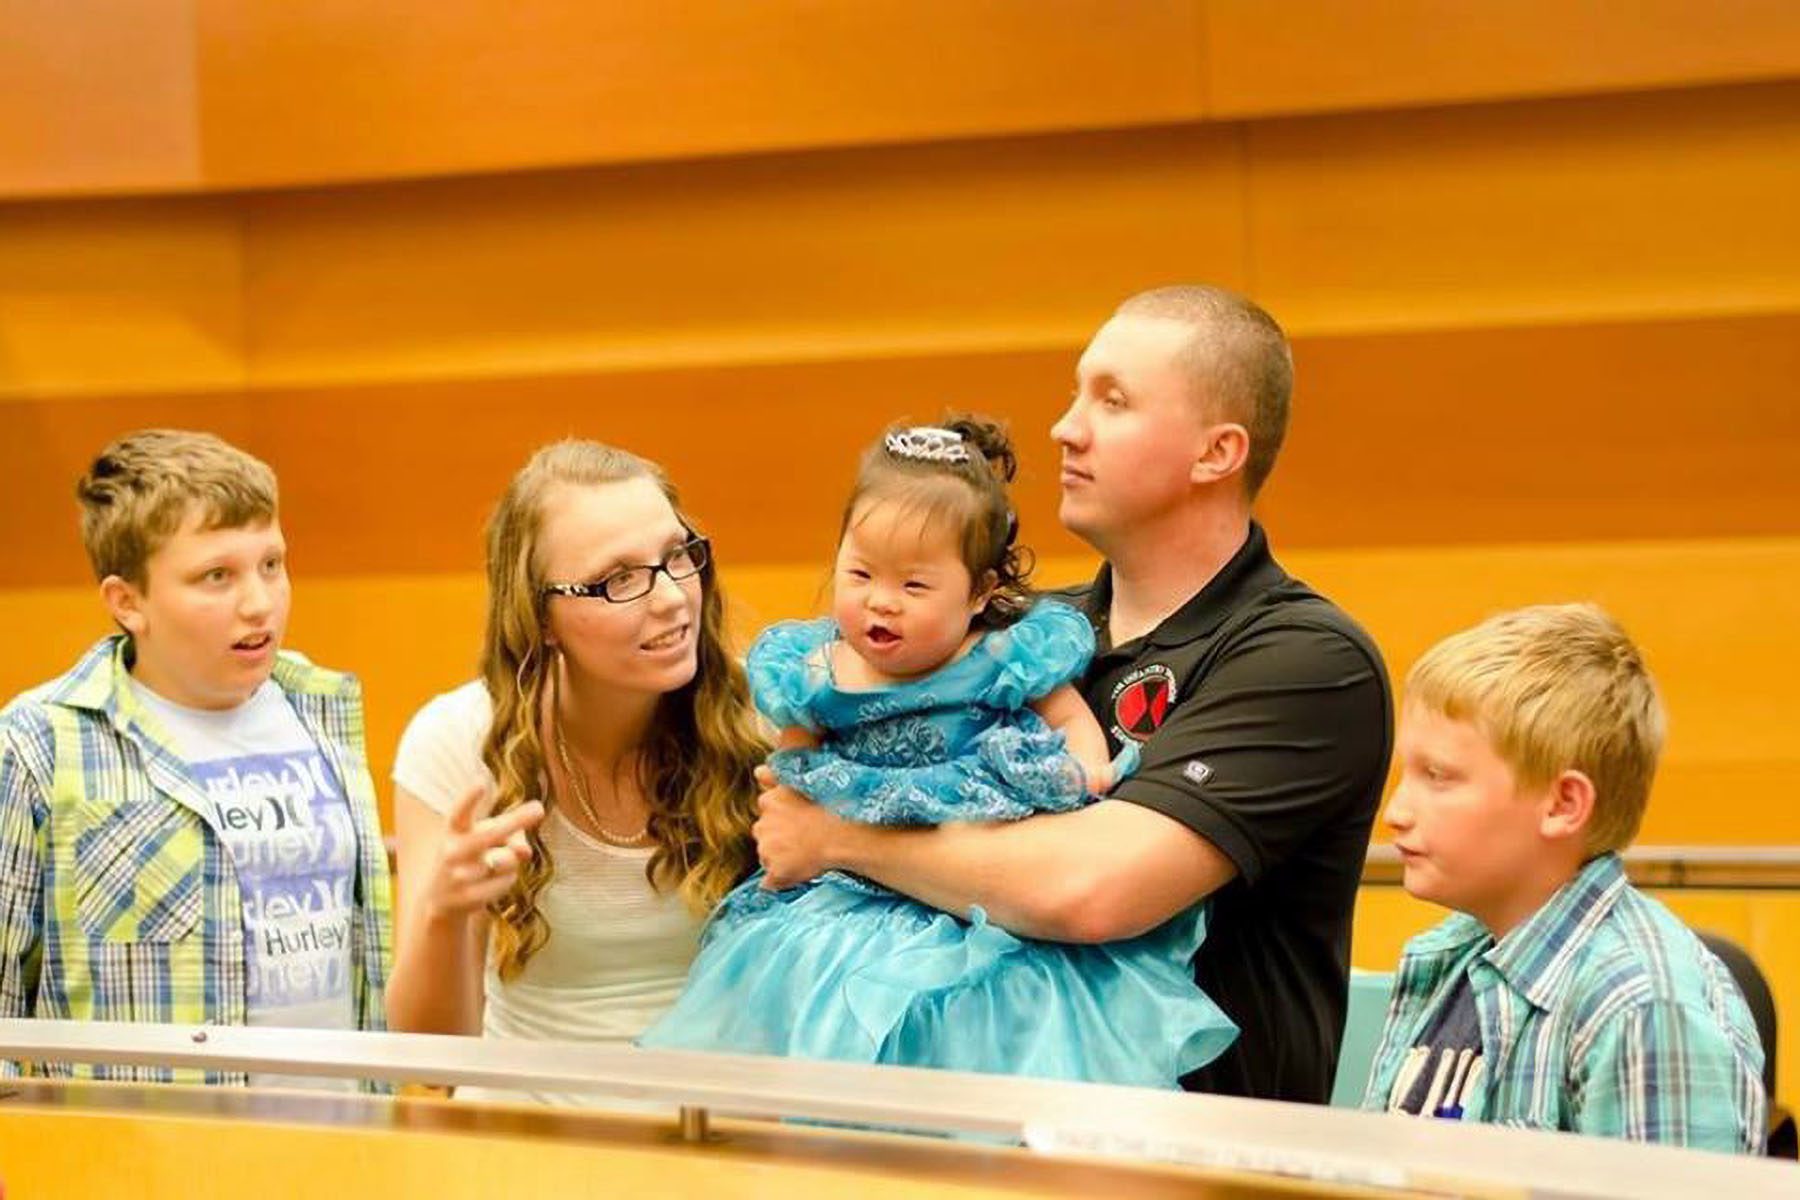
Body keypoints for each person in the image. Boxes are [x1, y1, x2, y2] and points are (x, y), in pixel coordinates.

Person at [751, 286, 1392, 1102]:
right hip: (973, 1126)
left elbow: (1093, 891)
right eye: (1076, 391)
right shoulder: (1020, 636)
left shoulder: (1303, 661)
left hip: (1191, 1160)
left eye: (1113, 400)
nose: (1065, 426)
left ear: (1216, 453)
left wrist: (840, 837)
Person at [642, 417, 1237, 1086]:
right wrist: (788, 814)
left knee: (990, 1012)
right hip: (847, 899)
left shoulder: (1003, 654)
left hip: (978, 879)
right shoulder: (817, 670)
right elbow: (792, 773)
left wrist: (1084, 767)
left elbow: (1069, 717)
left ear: (980, 592)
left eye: (915, 587)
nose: (881, 603)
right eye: (860, 573)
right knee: (827, 1028)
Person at [0, 430, 392, 1087]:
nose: (259, 603)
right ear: (128, 602)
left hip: (343, 1147)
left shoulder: (323, 708)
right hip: (142, 1166)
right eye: (217, 576)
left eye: (271, 564)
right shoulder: (41, 743)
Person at [385, 440, 765, 1107]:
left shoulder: (761, 727)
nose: (673, 599)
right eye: (618, 579)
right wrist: (446, 913)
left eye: (677, 556)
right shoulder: (454, 743)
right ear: (542, 618)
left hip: (719, 1142)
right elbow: (433, 1061)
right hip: (525, 1146)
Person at [1363, 603, 1766, 1153]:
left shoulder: (1644, 1008)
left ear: (1563, 804)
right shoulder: (1448, 958)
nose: (1396, 812)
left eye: (1438, 777)